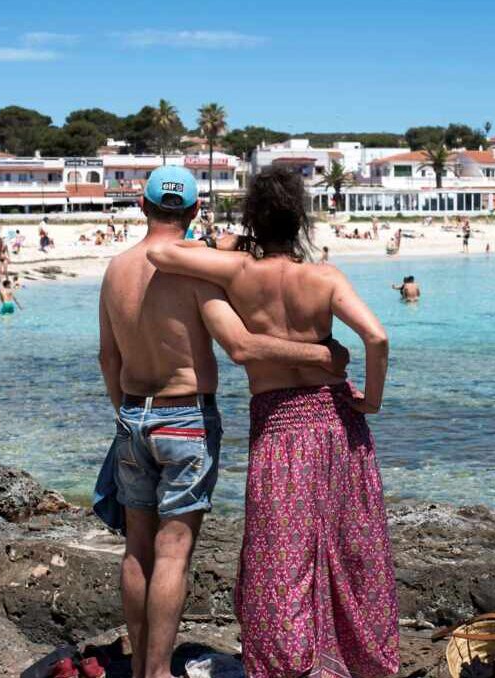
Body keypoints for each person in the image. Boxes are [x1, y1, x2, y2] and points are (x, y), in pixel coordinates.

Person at [95, 167, 350, 678]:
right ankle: (160, 672)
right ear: (192, 213)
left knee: (137, 548)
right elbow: (240, 346)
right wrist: (322, 355)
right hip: (185, 415)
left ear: (142, 207)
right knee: (172, 553)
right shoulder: (194, 274)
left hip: (132, 413)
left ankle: (142, 667)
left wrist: (125, 414)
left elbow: (107, 357)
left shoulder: (115, 269)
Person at [145, 167, 399, 678]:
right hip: (332, 421)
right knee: (351, 545)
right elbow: (376, 339)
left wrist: (235, 239)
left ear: (254, 216)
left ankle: (286, 662)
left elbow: (160, 252)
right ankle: (354, 659)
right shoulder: (324, 277)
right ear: (300, 216)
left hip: (278, 427)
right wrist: (371, 400)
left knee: (278, 555)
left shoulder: (237, 271)